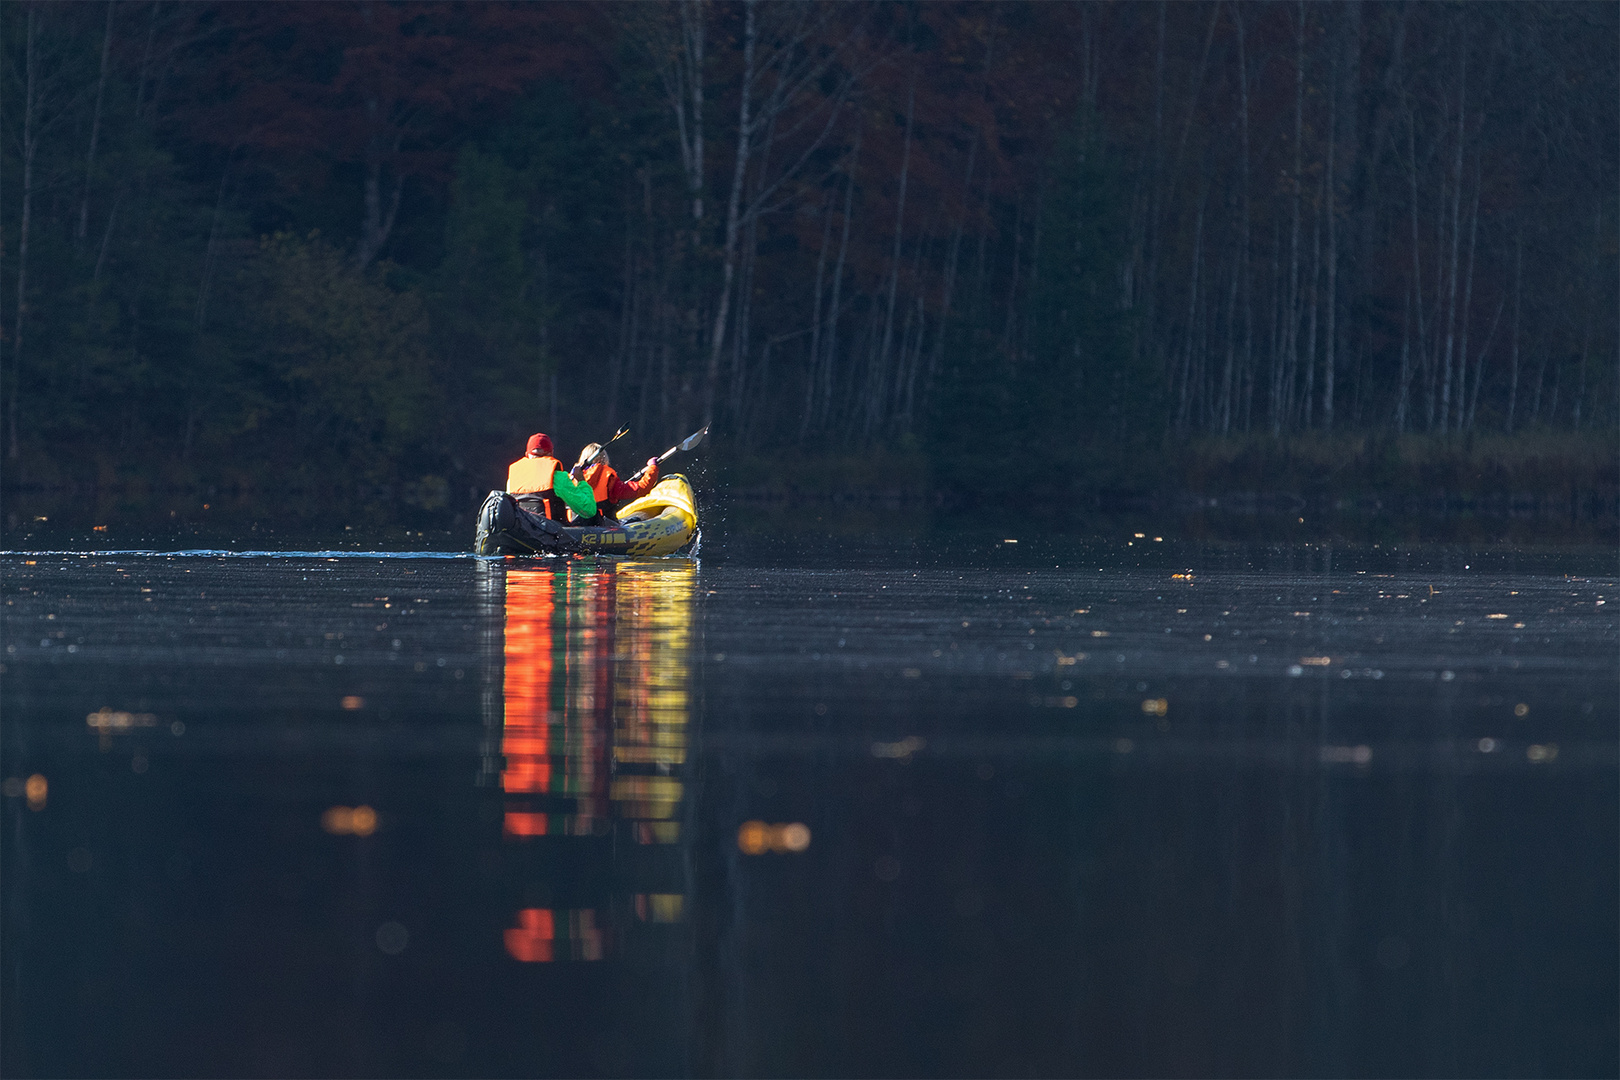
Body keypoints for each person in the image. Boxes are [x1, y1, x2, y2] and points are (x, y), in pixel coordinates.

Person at [506, 433, 596, 521]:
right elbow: (588, 510)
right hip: (551, 533)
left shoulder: (512, 479)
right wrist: (581, 481)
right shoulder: (557, 476)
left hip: (522, 532)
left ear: (526, 454)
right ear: (551, 453)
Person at [568, 443, 660, 524]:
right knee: (636, 520)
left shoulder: (571, 478)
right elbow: (641, 488)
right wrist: (652, 468)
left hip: (575, 528)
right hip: (604, 527)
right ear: (604, 459)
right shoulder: (609, 479)